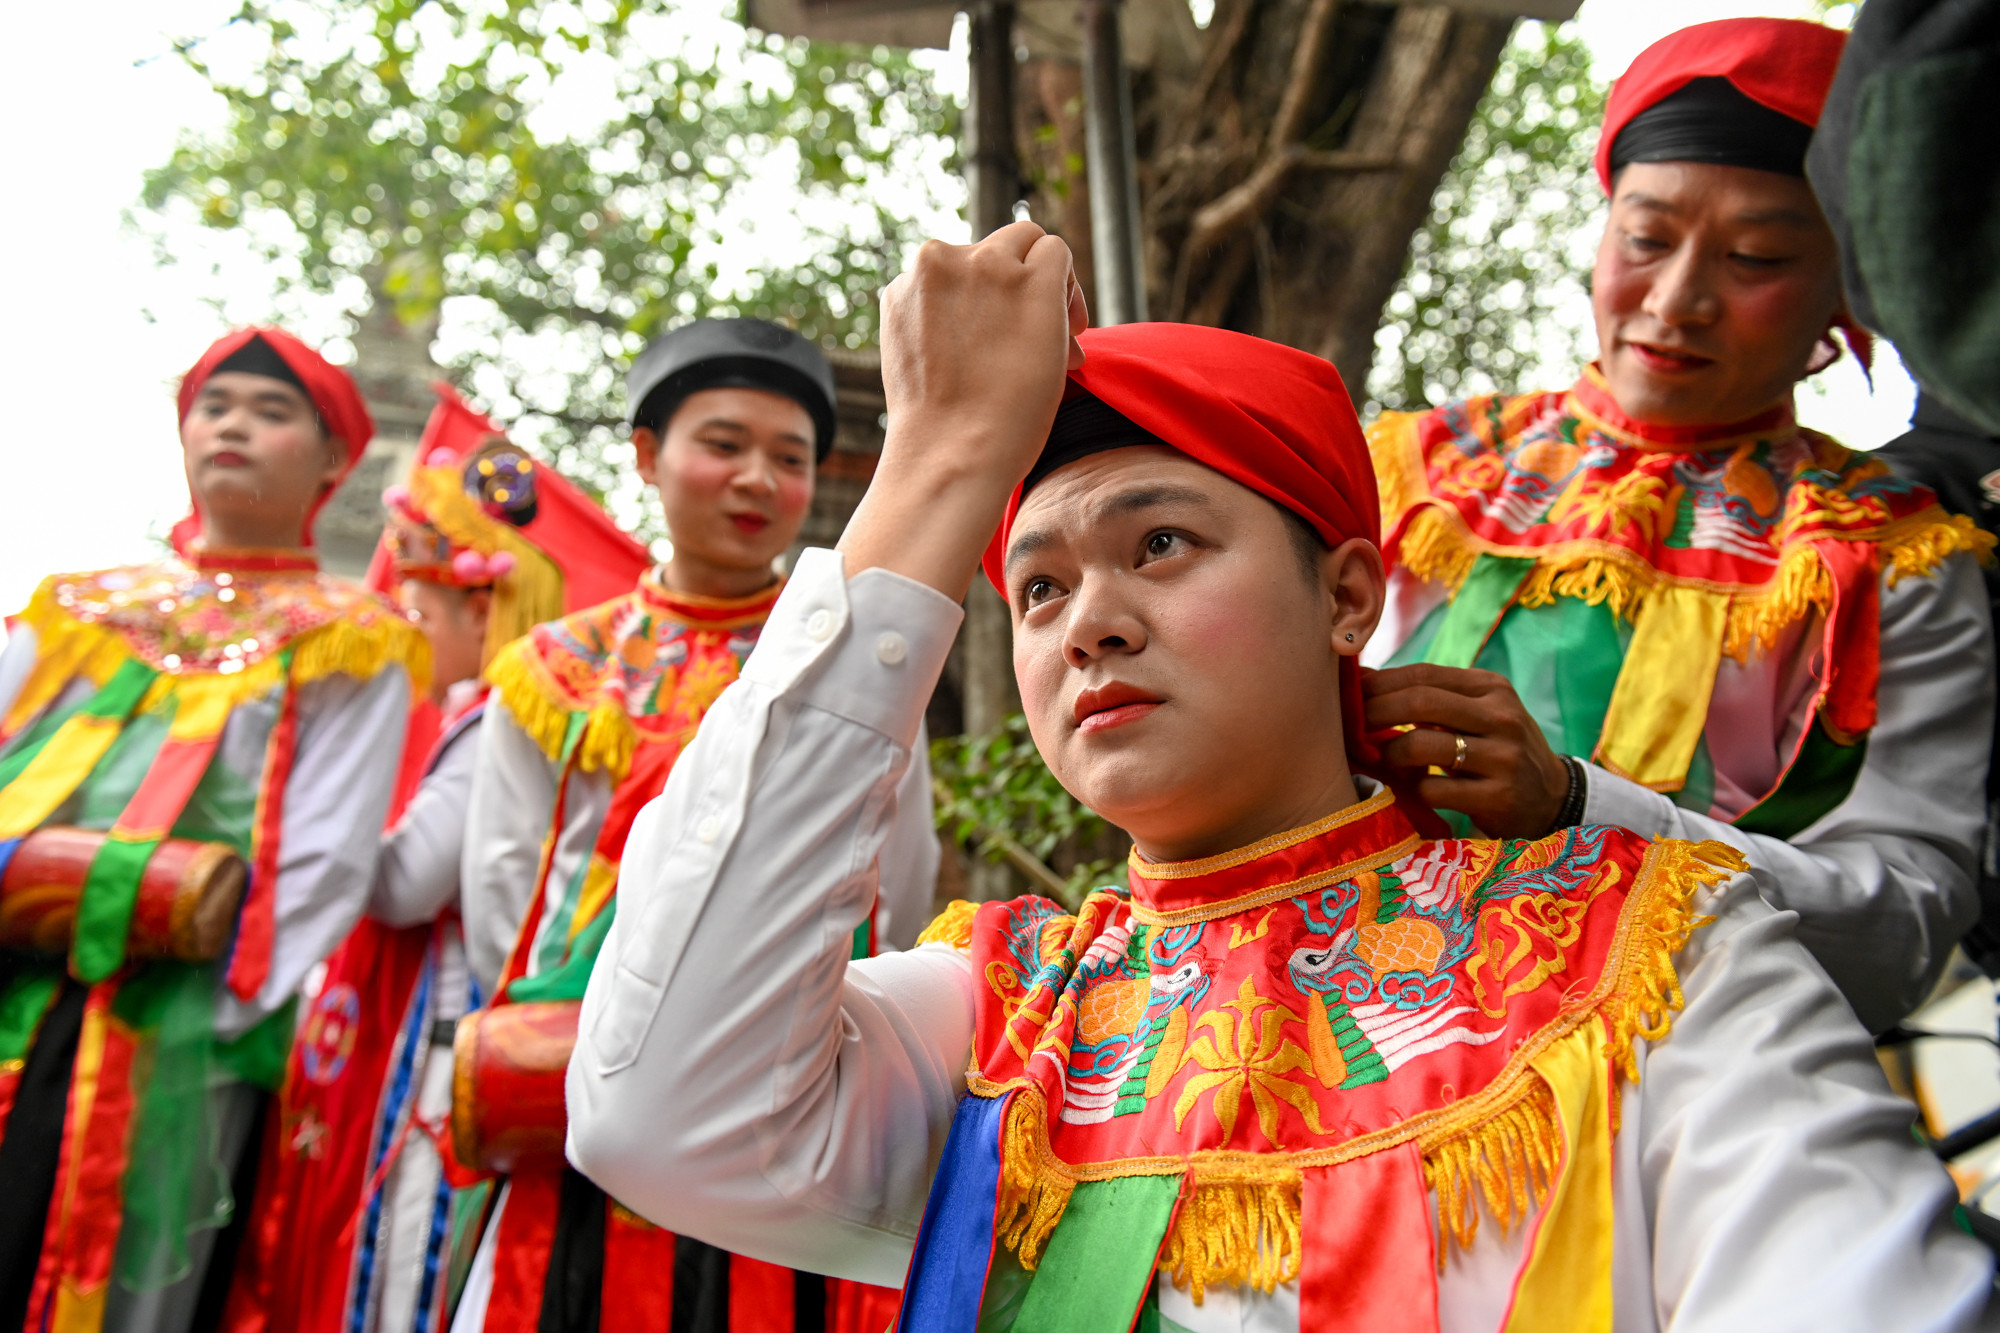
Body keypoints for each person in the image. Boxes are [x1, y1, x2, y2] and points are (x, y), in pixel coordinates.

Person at [563, 226, 1991, 1330]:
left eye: (1163, 544)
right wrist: (928, 474)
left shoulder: (1646, 957)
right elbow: (655, 1108)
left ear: (1347, 598)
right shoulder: (998, 1019)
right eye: (1039, 588)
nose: (1092, 621)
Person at [1358, 17, 1995, 1033]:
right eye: (1645, 238)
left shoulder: (1891, 558)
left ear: (1846, 291)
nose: (1676, 297)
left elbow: (1901, 929)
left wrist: (1580, 809)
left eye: (1754, 257)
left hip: (1689, 1093)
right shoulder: (1413, 475)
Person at [451, 319, 937, 1333]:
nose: (757, 478)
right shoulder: (556, 666)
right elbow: (502, 888)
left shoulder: (852, 658)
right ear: (646, 456)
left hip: (787, 1064)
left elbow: (900, 871)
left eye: (789, 457)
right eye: (724, 443)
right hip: (583, 1063)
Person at [0, 327, 428, 1332]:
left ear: (332, 461)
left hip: (182, 1016)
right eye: (216, 403)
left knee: (122, 1288)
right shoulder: (76, 607)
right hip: (14, 970)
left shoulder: (351, 634)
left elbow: (325, 860)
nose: (235, 424)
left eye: (274, 412)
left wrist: (221, 1020)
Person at [219, 385, 650, 1333]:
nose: (402, 625)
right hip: (422, 1039)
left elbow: (408, 881)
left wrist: (310, 816)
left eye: (421, 608)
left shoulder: (494, 717)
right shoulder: (463, 719)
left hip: (449, 1039)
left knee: (406, 1268)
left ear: (485, 611)